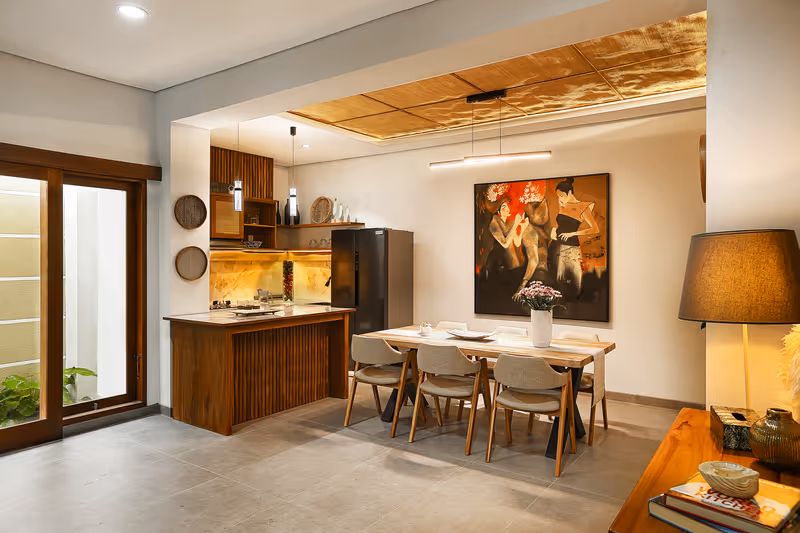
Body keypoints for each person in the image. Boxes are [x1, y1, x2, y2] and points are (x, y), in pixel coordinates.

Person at [550, 177, 600, 293]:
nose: (560, 199)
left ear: (570, 192)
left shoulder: (583, 207)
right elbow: (561, 223)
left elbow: (595, 229)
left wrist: (573, 233)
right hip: (556, 246)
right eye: (558, 197)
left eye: (561, 196)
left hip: (571, 248)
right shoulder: (562, 204)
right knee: (558, 283)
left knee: (575, 282)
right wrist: (554, 230)